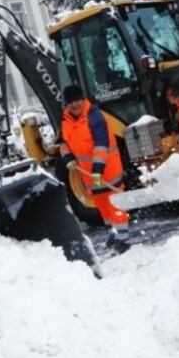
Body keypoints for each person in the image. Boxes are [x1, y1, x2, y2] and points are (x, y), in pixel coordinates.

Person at [59, 84, 130, 251]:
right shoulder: (65, 121)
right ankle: (113, 232)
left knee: (114, 203)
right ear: (66, 105)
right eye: (71, 102)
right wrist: (68, 158)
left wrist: (98, 169)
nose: (75, 104)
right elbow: (63, 142)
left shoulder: (95, 116)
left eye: (77, 100)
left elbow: (101, 144)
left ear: (83, 99)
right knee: (101, 204)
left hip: (107, 170)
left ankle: (123, 239)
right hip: (88, 174)